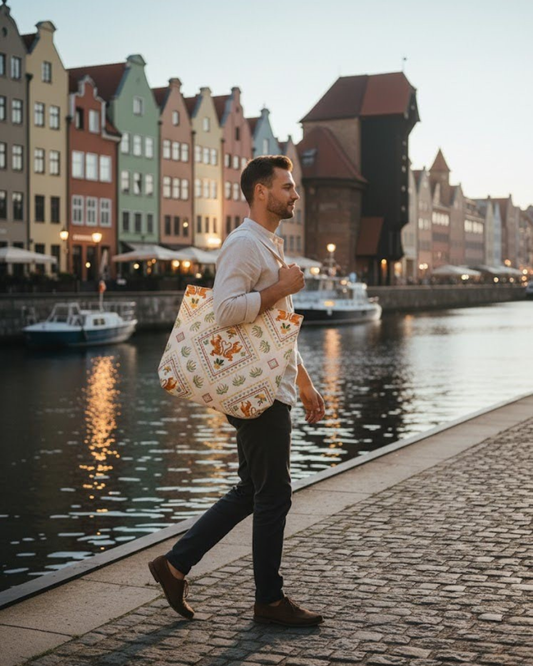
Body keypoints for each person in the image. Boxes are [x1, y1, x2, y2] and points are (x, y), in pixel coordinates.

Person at [149, 155, 325, 627]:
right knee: (274, 496)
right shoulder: (245, 244)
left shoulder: (268, 245)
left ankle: (174, 565)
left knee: (253, 490)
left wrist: (305, 384)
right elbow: (225, 312)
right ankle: (269, 601)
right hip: (257, 392)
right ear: (262, 192)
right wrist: (278, 288)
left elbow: (274, 333)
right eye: (287, 187)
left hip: (271, 386)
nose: (295, 194)